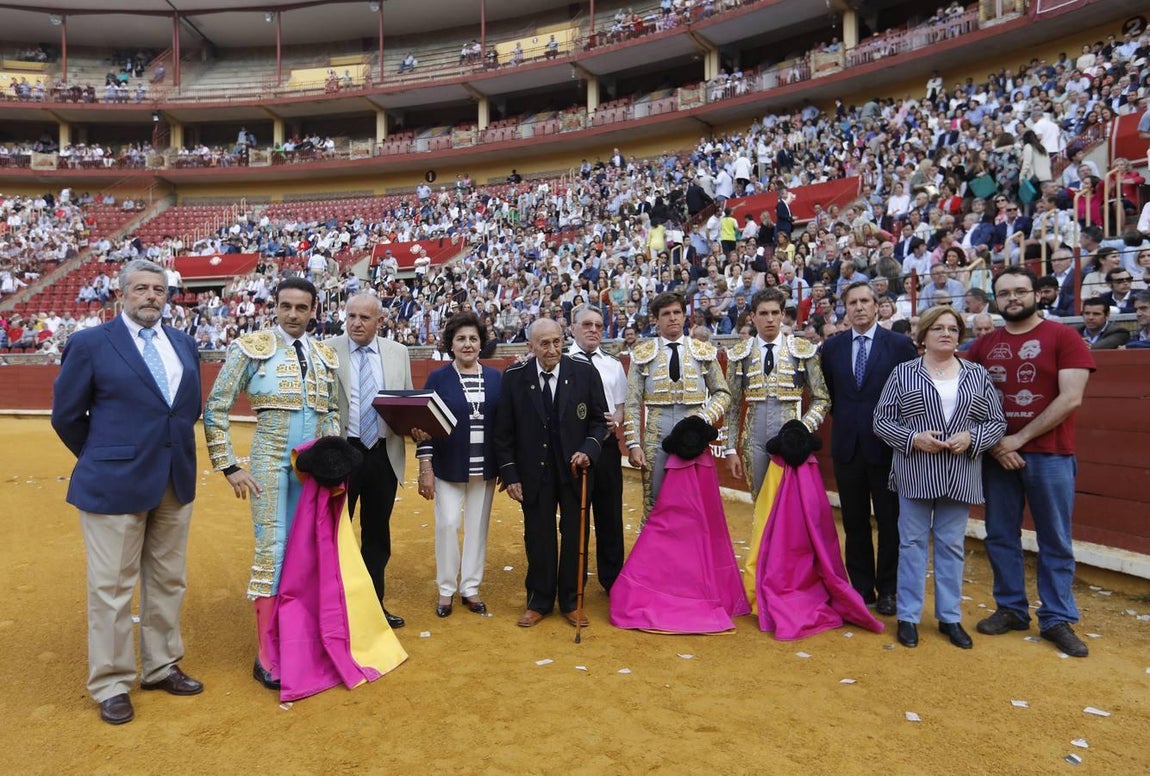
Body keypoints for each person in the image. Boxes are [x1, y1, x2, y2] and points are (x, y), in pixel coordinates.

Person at [51, 258, 204, 725]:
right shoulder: (91, 343)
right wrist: (102, 456)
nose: (151, 296)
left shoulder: (184, 344)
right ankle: (112, 681)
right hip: (113, 482)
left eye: (159, 289)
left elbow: (184, 411)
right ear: (122, 294)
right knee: (112, 588)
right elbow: (66, 416)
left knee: (167, 580)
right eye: (140, 288)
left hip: (173, 477)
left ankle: (160, 665)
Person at [203, 277, 340, 689]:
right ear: (275, 307)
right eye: (286, 307)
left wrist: (333, 465)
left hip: (311, 467)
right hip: (267, 462)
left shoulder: (323, 353)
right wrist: (228, 465)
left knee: (309, 551)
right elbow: (215, 407)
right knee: (272, 549)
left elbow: (331, 412)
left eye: (302, 308)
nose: (294, 315)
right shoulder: (251, 347)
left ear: (314, 309)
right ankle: (267, 652)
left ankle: (301, 639)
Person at [966, 267, 1095, 657]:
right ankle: (1011, 609)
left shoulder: (1063, 336)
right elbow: (964, 396)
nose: (1012, 299)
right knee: (1000, 535)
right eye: (1004, 293)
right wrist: (994, 445)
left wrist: (1016, 440)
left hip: (1050, 454)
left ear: (1037, 294)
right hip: (997, 457)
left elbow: (1071, 397)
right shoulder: (985, 345)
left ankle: (1057, 617)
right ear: (996, 300)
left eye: (1020, 291)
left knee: (1054, 538)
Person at [874, 306, 1006, 650]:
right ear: (924, 335)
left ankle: (949, 617)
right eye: (938, 328)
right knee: (912, 544)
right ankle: (908, 616)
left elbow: (996, 422)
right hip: (916, 470)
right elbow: (882, 421)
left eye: (952, 328)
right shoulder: (903, 373)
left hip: (960, 472)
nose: (946, 334)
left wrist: (973, 439)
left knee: (951, 546)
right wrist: (914, 438)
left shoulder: (976, 374)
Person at [494, 318, 609, 628]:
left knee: (575, 535)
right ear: (531, 346)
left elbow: (600, 422)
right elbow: (503, 433)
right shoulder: (515, 377)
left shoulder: (584, 372)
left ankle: (571, 600)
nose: (552, 348)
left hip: (575, 471)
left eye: (557, 341)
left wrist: (589, 448)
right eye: (544, 343)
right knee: (539, 537)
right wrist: (510, 474)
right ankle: (539, 601)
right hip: (534, 473)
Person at [820, 280, 919, 615]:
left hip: (889, 448)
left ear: (877, 306)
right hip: (848, 446)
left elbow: (909, 395)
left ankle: (889, 588)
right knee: (854, 520)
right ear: (845, 309)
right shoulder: (832, 348)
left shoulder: (900, 345)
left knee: (891, 521)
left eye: (865, 301)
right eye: (853, 302)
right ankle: (862, 588)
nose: (859, 307)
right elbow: (832, 397)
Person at [328, 292, 413, 629]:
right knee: (336, 535)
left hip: (382, 453)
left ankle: (373, 606)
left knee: (377, 535)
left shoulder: (398, 353)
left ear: (380, 320)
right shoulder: (327, 350)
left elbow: (405, 400)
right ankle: (336, 609)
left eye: (364, 318)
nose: (356, 324)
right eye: (351, 316)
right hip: (340, 454)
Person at [414, 312, 503, 617]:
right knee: (448, 524)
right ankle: (446, 589)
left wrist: (507, 465)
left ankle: (471, 588)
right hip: (447, 465)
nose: (467, 344)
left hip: (485, 466)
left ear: (481, 344)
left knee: (478, 528)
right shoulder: (438, 378)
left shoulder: (495, 378)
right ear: (450, 344)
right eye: (461, 339)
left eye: (473, 339)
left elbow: (504, 427)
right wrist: (425, 467)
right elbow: (424, 426)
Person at [624, 291, 730, 518]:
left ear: (684, 316)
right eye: (666, 314)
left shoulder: (703, 351)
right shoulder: (641, 354)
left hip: (694, 435)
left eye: (676, 312)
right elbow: (632, 403)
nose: (672, 318)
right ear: (656, 319)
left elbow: (722, 393)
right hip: (655, 435)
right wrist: (633, 444)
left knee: (694, 502)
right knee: (653, 503)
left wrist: (701, 420)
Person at [724, 287, 828, 498]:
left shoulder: (801, 349)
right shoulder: (739, 354)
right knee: (761, 502)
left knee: (790, 505)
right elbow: (732, 406)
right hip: (753, 441)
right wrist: (729, 449)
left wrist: (800, 430)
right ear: (752, 317)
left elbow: (821, 399)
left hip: (791, 439)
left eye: (774, 313)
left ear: (782, 315)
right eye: (763, 313)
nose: (770, 319)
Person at [567, 305, 628, 592]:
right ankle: (574, 578)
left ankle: (613, 579)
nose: (594, 329)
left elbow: (620, 408)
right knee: (574, 514)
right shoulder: (563, 360)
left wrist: (616, 421)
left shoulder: (613, 365)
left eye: (599, 325)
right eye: (587, 324)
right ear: (573, 328)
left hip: (605, 447)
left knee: (610, 514)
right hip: (573, 449)